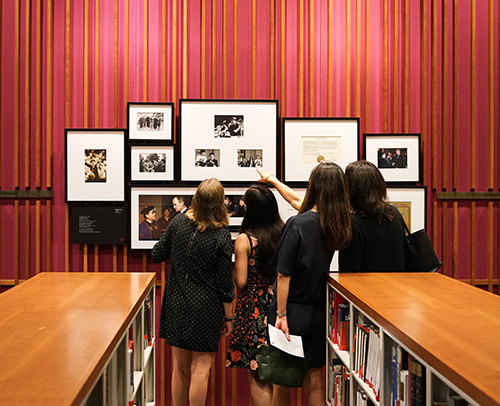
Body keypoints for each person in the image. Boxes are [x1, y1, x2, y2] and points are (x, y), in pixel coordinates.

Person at [257, 162, 352, 406]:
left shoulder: (297, 224)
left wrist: (280, 314)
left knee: (282, 382)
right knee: (315, 381)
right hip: (319, 311)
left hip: (291, 312)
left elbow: (283, 275)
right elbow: (299, 204)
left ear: (314, 187)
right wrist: (275, 181)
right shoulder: (336, 224)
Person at [152, 178, 235, 406]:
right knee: (201, 369)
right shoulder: (221, 236)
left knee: (179, 369)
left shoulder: (179, 222)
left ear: (196, 199)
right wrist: (229, 317)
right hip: (206, 308)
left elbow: (157, 253)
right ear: (220, 203)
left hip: (175, 303)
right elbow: (225, 284)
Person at [226, 184, 284, 406]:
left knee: (257, 371)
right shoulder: (283, 231)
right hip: (280, 304)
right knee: (277, 370)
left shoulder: (245, 240)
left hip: (253, 309)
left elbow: (241, 281)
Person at [338, 160, 406, 273]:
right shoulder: (394, 213)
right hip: (397, 286)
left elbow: (349, 272)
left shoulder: (353, 223)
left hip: (366, 289)